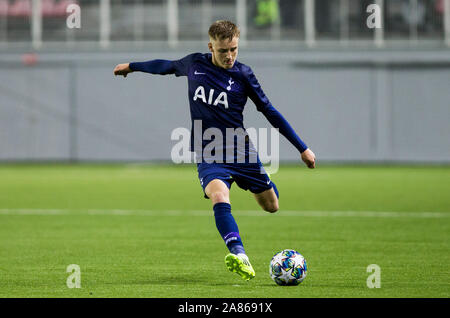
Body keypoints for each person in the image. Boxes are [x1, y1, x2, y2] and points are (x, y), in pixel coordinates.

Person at [113, 20, 315, 281]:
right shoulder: (194, 64)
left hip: (241, 152)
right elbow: (165, 66)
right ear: (211, 47)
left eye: (234, 49)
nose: (229, 56)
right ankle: (239, 254)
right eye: (223, 51)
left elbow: (270, 112)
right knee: (220, 196)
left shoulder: (244, 75)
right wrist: (132, 66)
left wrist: (302, 148)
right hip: (209, 152)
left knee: (271, 206)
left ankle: (260, 184)